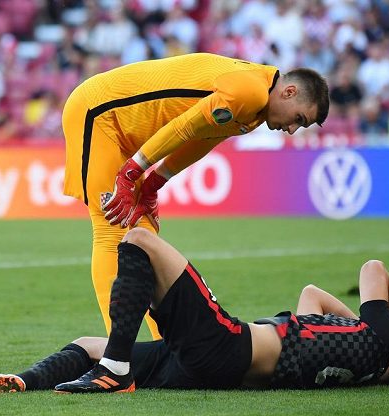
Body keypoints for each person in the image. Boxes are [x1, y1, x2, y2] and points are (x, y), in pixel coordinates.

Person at [61, 52, 330, 338]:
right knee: (110, 227)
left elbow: (203, 139)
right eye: (299, 118)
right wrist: (132, 172)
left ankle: (159, 346)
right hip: (99, 113)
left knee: (145, 237)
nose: (292, 130)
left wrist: (154, 181)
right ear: (289, 92)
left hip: (126, 128)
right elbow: (186, 126)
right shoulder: (250, 93)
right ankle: (118, 358)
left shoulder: (256, 106)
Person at [0, 228, 389, 394]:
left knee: (139, 239)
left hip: (228, 345)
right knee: (88, 347)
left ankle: (116, 371)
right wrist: (358, 326)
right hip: (211, 370)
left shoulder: (375, 339)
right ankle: (24, 381)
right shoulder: (347, 352)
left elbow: (374, 268)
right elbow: (312, 297)